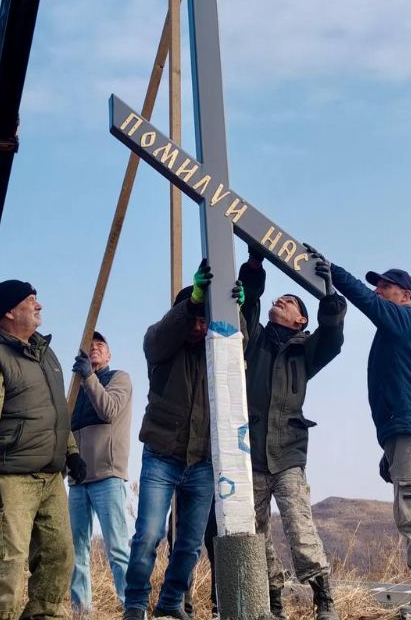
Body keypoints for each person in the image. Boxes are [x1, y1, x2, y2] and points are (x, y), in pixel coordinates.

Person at [306, 247, 411, 619]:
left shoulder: (406, 320)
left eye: (385, 287)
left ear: (405, 296)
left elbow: (367, 302)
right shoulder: (398, 332)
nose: (377, 291)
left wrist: (335, 272)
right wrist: (388, 447)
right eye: (377, 286)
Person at [122, 260, 245, 620]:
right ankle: (135, 604)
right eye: (194, 317)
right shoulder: (161, 345)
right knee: (148, 536)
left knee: (190, 545)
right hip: (162, 456)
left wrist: (237, 311)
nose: (200, 325)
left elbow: (241, 346)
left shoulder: (216, 353)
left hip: (203, 461)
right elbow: (162, 336)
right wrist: (192, 302)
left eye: (206, 318)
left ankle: (171, 601)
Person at [0, 279, 87, 620]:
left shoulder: (45, 354)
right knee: (6, 573)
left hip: (50, 480)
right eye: (31, 301)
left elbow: (56, 413)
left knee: (60, 558)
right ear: (10, 312)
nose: (39, 306)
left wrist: (71, 452)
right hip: (10, 481)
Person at [239, 247, 346, 620]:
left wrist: (329, 293)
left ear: (301, 319)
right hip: (250, 453)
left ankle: (324, 599)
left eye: (288, 301)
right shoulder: (253, 340)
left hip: (287, 453)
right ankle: (273, 600)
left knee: (299, 526)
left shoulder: (306, 350)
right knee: (255, 533)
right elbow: (249, 303)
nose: (278, 302)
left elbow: (333, 335)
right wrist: (254, 264)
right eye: (277, 299)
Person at [69, 330, 133, 614]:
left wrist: (89, 377)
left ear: (109, 355)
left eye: (100, 345)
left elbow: (109, 410)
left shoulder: (119, 378)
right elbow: (65, 429)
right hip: (78, 480)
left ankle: (132, 608)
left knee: (117, 549)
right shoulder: (76, 389)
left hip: (108, 476)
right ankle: (81, 612)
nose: (95, 348)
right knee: (76, 551)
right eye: (90, 345)